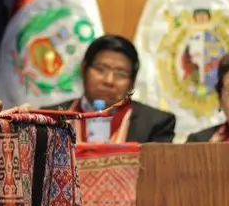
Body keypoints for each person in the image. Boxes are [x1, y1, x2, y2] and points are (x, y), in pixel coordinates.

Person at [47, 35, 176, 143]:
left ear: (132, 82)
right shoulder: (48, 118)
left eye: (121, 74)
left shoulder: (155, 124)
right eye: (100, 69)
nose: (109, 81)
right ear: (83, 69)